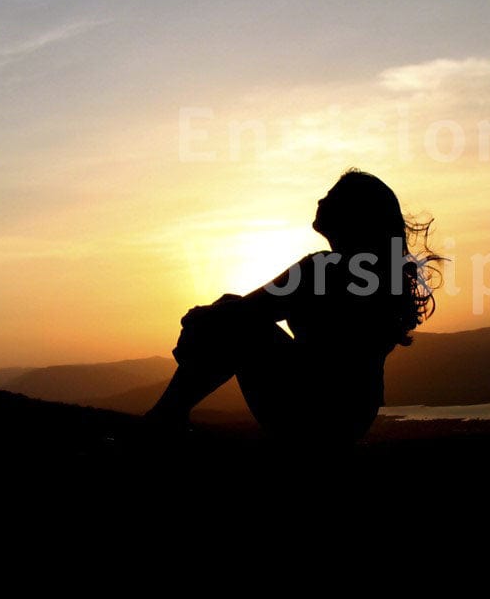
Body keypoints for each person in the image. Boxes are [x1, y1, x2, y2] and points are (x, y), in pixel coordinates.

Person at [146, 169, 443, 448]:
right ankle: (167, 416)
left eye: (331, 196)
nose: (320, 200)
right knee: (229, 312)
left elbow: (244, 313)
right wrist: (208, 322)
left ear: (351, 214)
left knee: (232, 316)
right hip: (349, 423)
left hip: (308, 413)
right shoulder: (376, 278)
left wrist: (197, 321)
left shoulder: (321, 269)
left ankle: (163, 418)